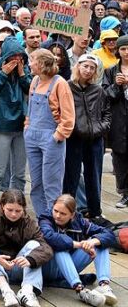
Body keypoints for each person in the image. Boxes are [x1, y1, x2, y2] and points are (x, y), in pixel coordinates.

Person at [0, 189, 53, 307]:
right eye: (10, 210)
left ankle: (27, 292)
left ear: (24, 209)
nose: (14, 214)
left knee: (35, 246)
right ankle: (6, 291)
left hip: (18, 266)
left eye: (18, 211)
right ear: (2, 206)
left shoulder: (29, 223)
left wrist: (30, 259)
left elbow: (46, 248)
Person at [0, 36, 31, 212]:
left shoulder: (24, 67)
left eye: (20, 55)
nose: (17, 59)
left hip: (20, 123)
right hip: (0, 123)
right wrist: (3, 73)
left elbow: (31, 89)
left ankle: (15, 208)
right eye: (13, 55)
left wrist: (23, 75)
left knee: (19, 173)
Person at [38, 194, 118, 306]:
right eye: (55, 211)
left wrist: (92, 242)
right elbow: (49, 236)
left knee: (100, 243)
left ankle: (104, 285)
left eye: (63, 213)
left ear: (72, 215)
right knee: (60, 248)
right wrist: (79, 245)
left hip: (70, 266)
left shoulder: (79, 221)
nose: (57, 215)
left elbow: (109, 234)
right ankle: (80, 290)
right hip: (49, 268)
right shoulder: (45, 218)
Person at [26, 49, 75, 216]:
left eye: (32, 60)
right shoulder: (34, 81)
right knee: (36, 183)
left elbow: (68, 117)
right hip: (32, 136)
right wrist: (27, 127)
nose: (29, 64)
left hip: (51, 138)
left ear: (40, 64)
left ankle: (55, 222)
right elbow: (30, 109)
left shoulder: (60, 83)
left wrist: (58, 136)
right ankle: (42, 219)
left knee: (51, 184)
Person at [64, 54, 109, 219]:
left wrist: (100, 129)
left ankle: (95, 212)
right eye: (85, 66)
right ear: (78, 66)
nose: (88, 70)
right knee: (71, 177)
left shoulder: (98, 90)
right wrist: (72, 128)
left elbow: (107, 113)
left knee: (94, 177)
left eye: (92, 68)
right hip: (74, 139)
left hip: (95, 139)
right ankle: (67, 211)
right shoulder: (67, 87)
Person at [102, 37, 128, 208]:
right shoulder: (111, 71)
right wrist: (116, 86)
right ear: (118, 51)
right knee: (120, 156)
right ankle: (125, 193)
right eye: (123, 48)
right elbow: (105, 95)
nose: (126, 52)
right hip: (119, 120)